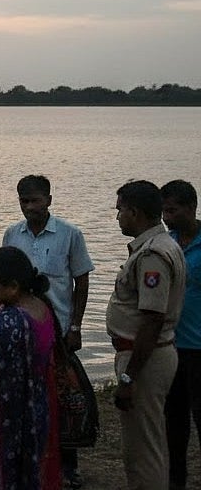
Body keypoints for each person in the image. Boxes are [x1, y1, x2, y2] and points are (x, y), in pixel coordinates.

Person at [2, 174, 94, 488]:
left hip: (58, 330)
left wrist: (76, 326)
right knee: (25, 395)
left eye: (35, 200)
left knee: (62, 396)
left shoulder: (70, 234)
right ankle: (30, 460)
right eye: (23, 201)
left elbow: (81, 281)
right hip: (21, 329)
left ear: (49, 200)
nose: (29, 207)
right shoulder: (12, 235)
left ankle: (68, 466)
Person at [106, 179, 187, 490]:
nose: (118, 217)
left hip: (145, 358)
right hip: (147, 354)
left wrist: (129, 378)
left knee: (142, 450)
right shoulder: (159, 246)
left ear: (135, 212)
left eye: (120, 211)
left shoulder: (153, 253)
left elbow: (153, 319)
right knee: (148, 442)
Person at [0, 247, 61, 489]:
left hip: (1, 413)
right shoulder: (42, 307)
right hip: (32, 406)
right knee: (25, 469)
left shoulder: (10, 321)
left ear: (14, 286)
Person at [161, 179, 201, 490]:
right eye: (163, 211)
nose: (166, 217)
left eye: (173, 211)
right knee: (174, 422)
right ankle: (176, 482)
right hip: (171, 346)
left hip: (199, 348)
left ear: (191, 207)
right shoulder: (167, 243)